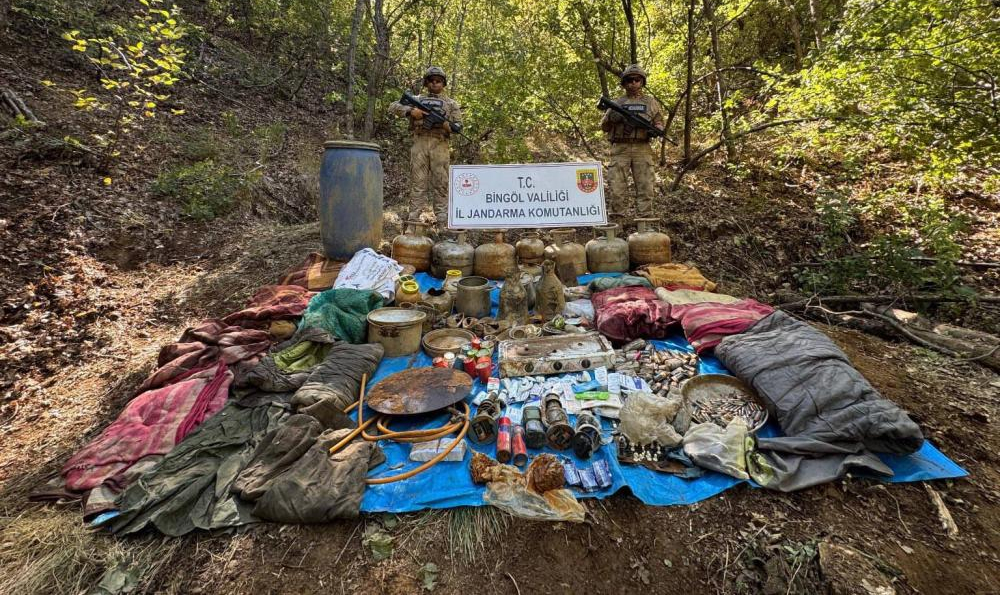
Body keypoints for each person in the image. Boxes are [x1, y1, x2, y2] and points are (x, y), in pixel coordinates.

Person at [389, 66, 463, 227]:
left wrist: (445, 125)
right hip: (420, 142)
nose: (434, 84)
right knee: (418, 183)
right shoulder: (417, 100)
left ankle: (443, 223)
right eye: (431, 81)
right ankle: (413, 222)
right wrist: (410, 112)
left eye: (438, 81)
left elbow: (458, 126)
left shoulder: (451, 104)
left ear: (443, 84)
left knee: (441, 184)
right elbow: (393, 106)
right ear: (426, 83)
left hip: (440, 145)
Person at [600, 64, 663, 220]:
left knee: (645, 187)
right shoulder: (617, 103)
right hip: (620, 148)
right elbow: (604, 127)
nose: (633, 83)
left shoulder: (651, 103)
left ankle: (645, 224)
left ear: (642, 82)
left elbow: (659, 122)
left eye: (637, 80)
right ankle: (616, 225)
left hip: (642, 148)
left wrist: (656, 130)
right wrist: (611, 118)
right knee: (616, 187)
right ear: (624, 83)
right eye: (629, 80)